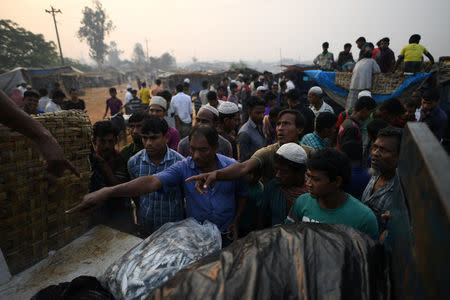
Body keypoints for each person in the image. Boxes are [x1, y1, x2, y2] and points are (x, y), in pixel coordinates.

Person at [67, 125, 249, 247]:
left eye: (203, 150)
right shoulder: (183, 167)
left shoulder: (232, 167)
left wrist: (237, 219)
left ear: (216, 147)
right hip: (197, 239)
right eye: (192, 149)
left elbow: (242, 193)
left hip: (227, 235)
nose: (195, 155)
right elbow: (152, 182)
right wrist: (108, 191)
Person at [185, 110, 315, 190]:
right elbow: (242, 167)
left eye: (286, 124)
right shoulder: (268, 152)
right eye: (278, 124)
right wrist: (215, 175)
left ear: (299, 129)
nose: (280, 128)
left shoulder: (310, 153)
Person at [286, 149, 378, 238]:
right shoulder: (302, 202)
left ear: (337, 181)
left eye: (315, 179)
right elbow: (288, 237)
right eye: (308, 176)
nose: (308, 183)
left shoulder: (364, 218)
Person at [127, 115, 185, 235]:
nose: (148, 143)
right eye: (145, 138)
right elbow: (136, 195)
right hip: (146, 227)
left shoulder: (180, 163)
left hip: (172, 229)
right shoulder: (134, 162)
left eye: (154, 138)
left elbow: (184, 195)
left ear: (167, 137)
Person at [0, 90, 78, 176]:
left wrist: (71, 114)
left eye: (35, 101)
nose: (32, 103)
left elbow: (56, 120)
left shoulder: (42, 114)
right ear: (23, 100)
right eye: (30, 100)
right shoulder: (14, 115)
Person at [88, 121, 131, 230]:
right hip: (96, 213)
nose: (107, 146)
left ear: (116, 141)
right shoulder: (88, 161)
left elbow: (118, 187)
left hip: (119, 212)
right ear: (94, 141)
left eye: (110, 141)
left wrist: (103, 164)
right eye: (102, 141)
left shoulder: (120, 159)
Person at [362, 127, 402, 232]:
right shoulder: (376, 173)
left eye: (383, 150)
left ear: (399, 156)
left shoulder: (400, 193)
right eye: (375, 147)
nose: (375, 153)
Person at [259, 143, 308, 227]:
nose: (277, 175)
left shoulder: (312, 194)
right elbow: (262, 219)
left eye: (284, 172)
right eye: (276, 170)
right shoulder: (273, 187)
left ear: (299, 172)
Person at [117, 111, 147, 181]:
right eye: (132, 126)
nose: (135, 131)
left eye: (139, 126)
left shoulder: (157, 149)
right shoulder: (125, 152)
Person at [238, 96, 267, 162]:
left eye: (263, 112)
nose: (262, 116)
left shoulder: (261, 125)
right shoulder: (244, 133)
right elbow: (244, 161)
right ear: (249, 112)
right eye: (258, 113)